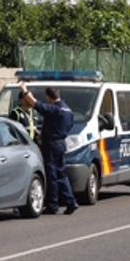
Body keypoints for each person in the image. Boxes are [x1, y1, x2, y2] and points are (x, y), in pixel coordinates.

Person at [20, 83, 78, 215]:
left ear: (49, 97)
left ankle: (53, 205)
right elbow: (68, 126)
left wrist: (24, 91)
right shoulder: (68, 111)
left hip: (51, 145)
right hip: (61, 143)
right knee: (61, 174)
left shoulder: (54, 109)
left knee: (52, 175)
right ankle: (71, 201)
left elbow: (35, 104)